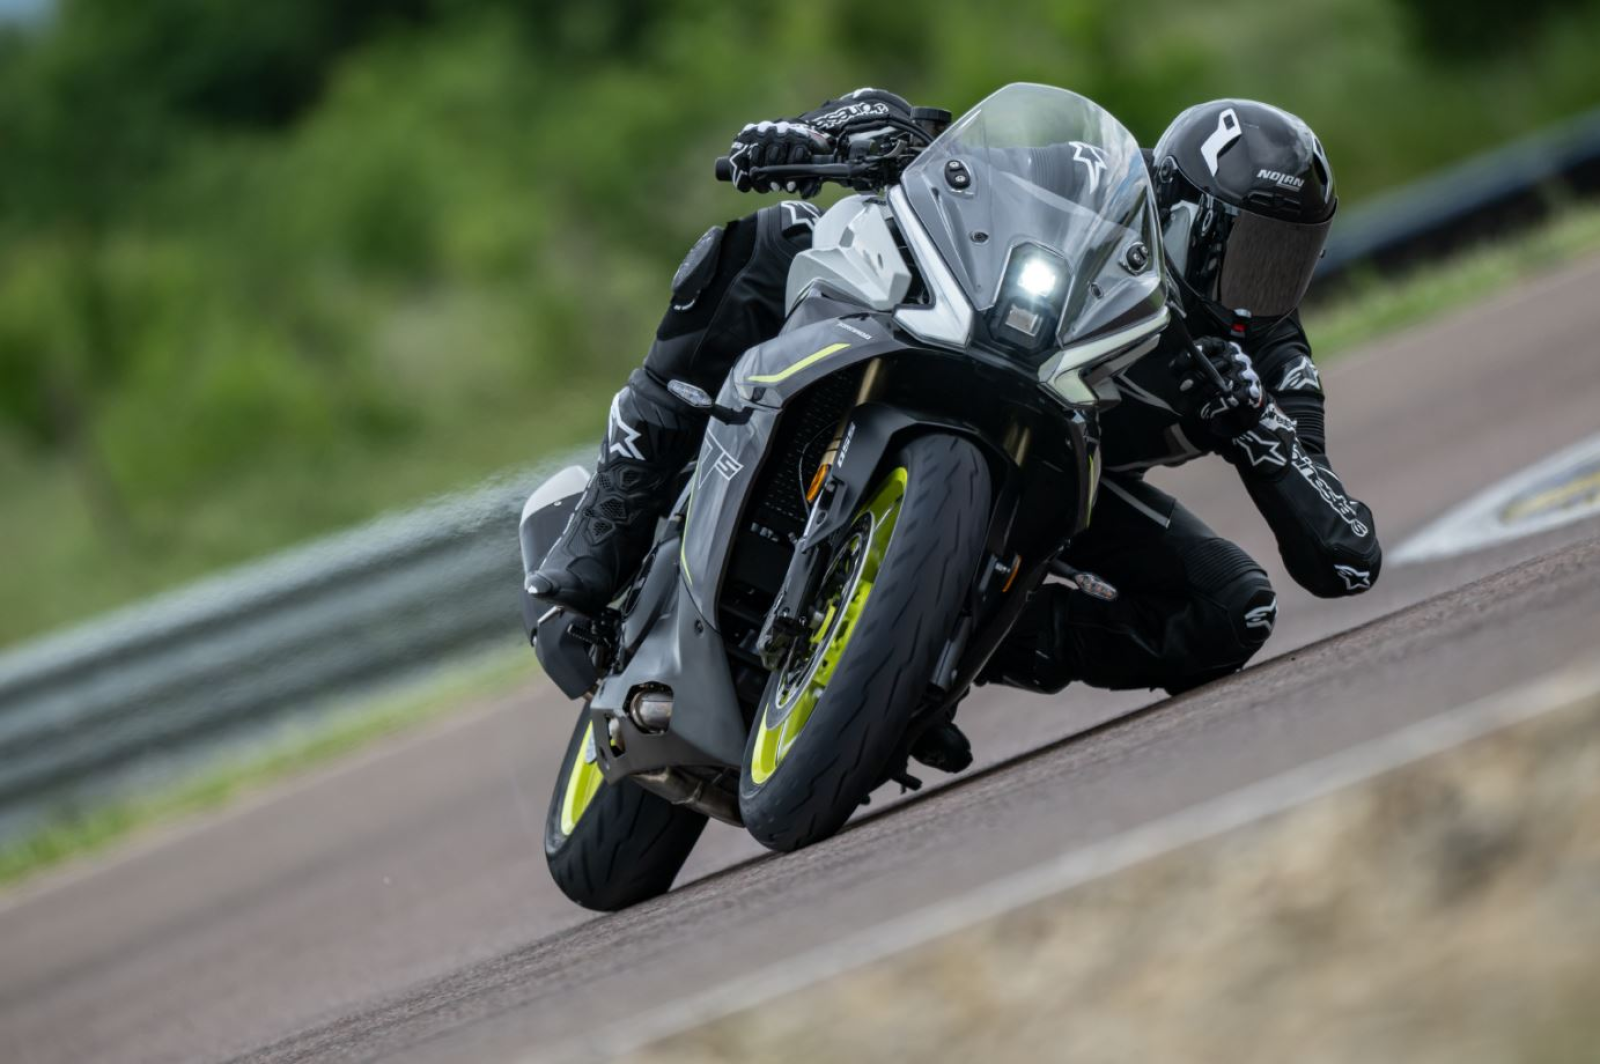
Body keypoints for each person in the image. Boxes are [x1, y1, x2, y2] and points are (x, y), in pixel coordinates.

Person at [530, 89, 1381, 761]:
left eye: (1290, 260)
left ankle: (926, 657)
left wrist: (1256, 427)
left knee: (1235, 610)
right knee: (772, 238)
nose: (1268, 285)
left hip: (1069, 484)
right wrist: (838, 131)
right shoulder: (1092, 173)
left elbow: (1346, 557)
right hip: (953, 340)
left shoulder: (1267, 354)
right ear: (1186, 210)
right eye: (1255, 251)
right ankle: (601, 531)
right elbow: (948, 152)